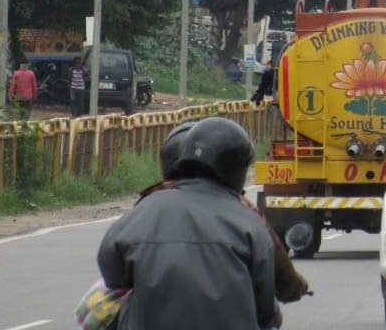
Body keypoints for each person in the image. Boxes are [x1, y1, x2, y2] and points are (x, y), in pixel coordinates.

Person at [97, 117, 283, 330]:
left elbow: (113, 277)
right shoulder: (250, 220)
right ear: (238, 170)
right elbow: (266, 308)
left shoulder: (144, 208)